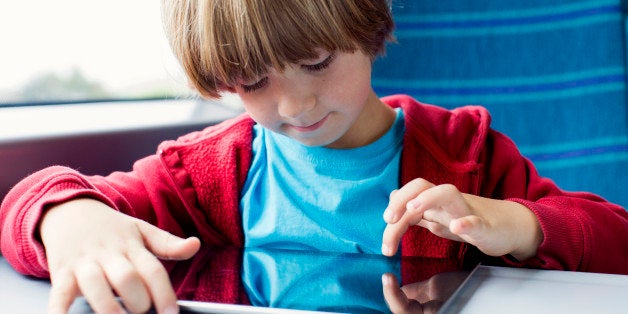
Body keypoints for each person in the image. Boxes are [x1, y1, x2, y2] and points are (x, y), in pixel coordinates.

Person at [1, 0, 627, 313]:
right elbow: (31, 204)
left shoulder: (466, 154)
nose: (294, 104)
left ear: (366, 27)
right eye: (252, 82)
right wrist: (69, 219)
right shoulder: (204, 174)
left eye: (317, 63)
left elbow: (614, 242)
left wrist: (516, 223)